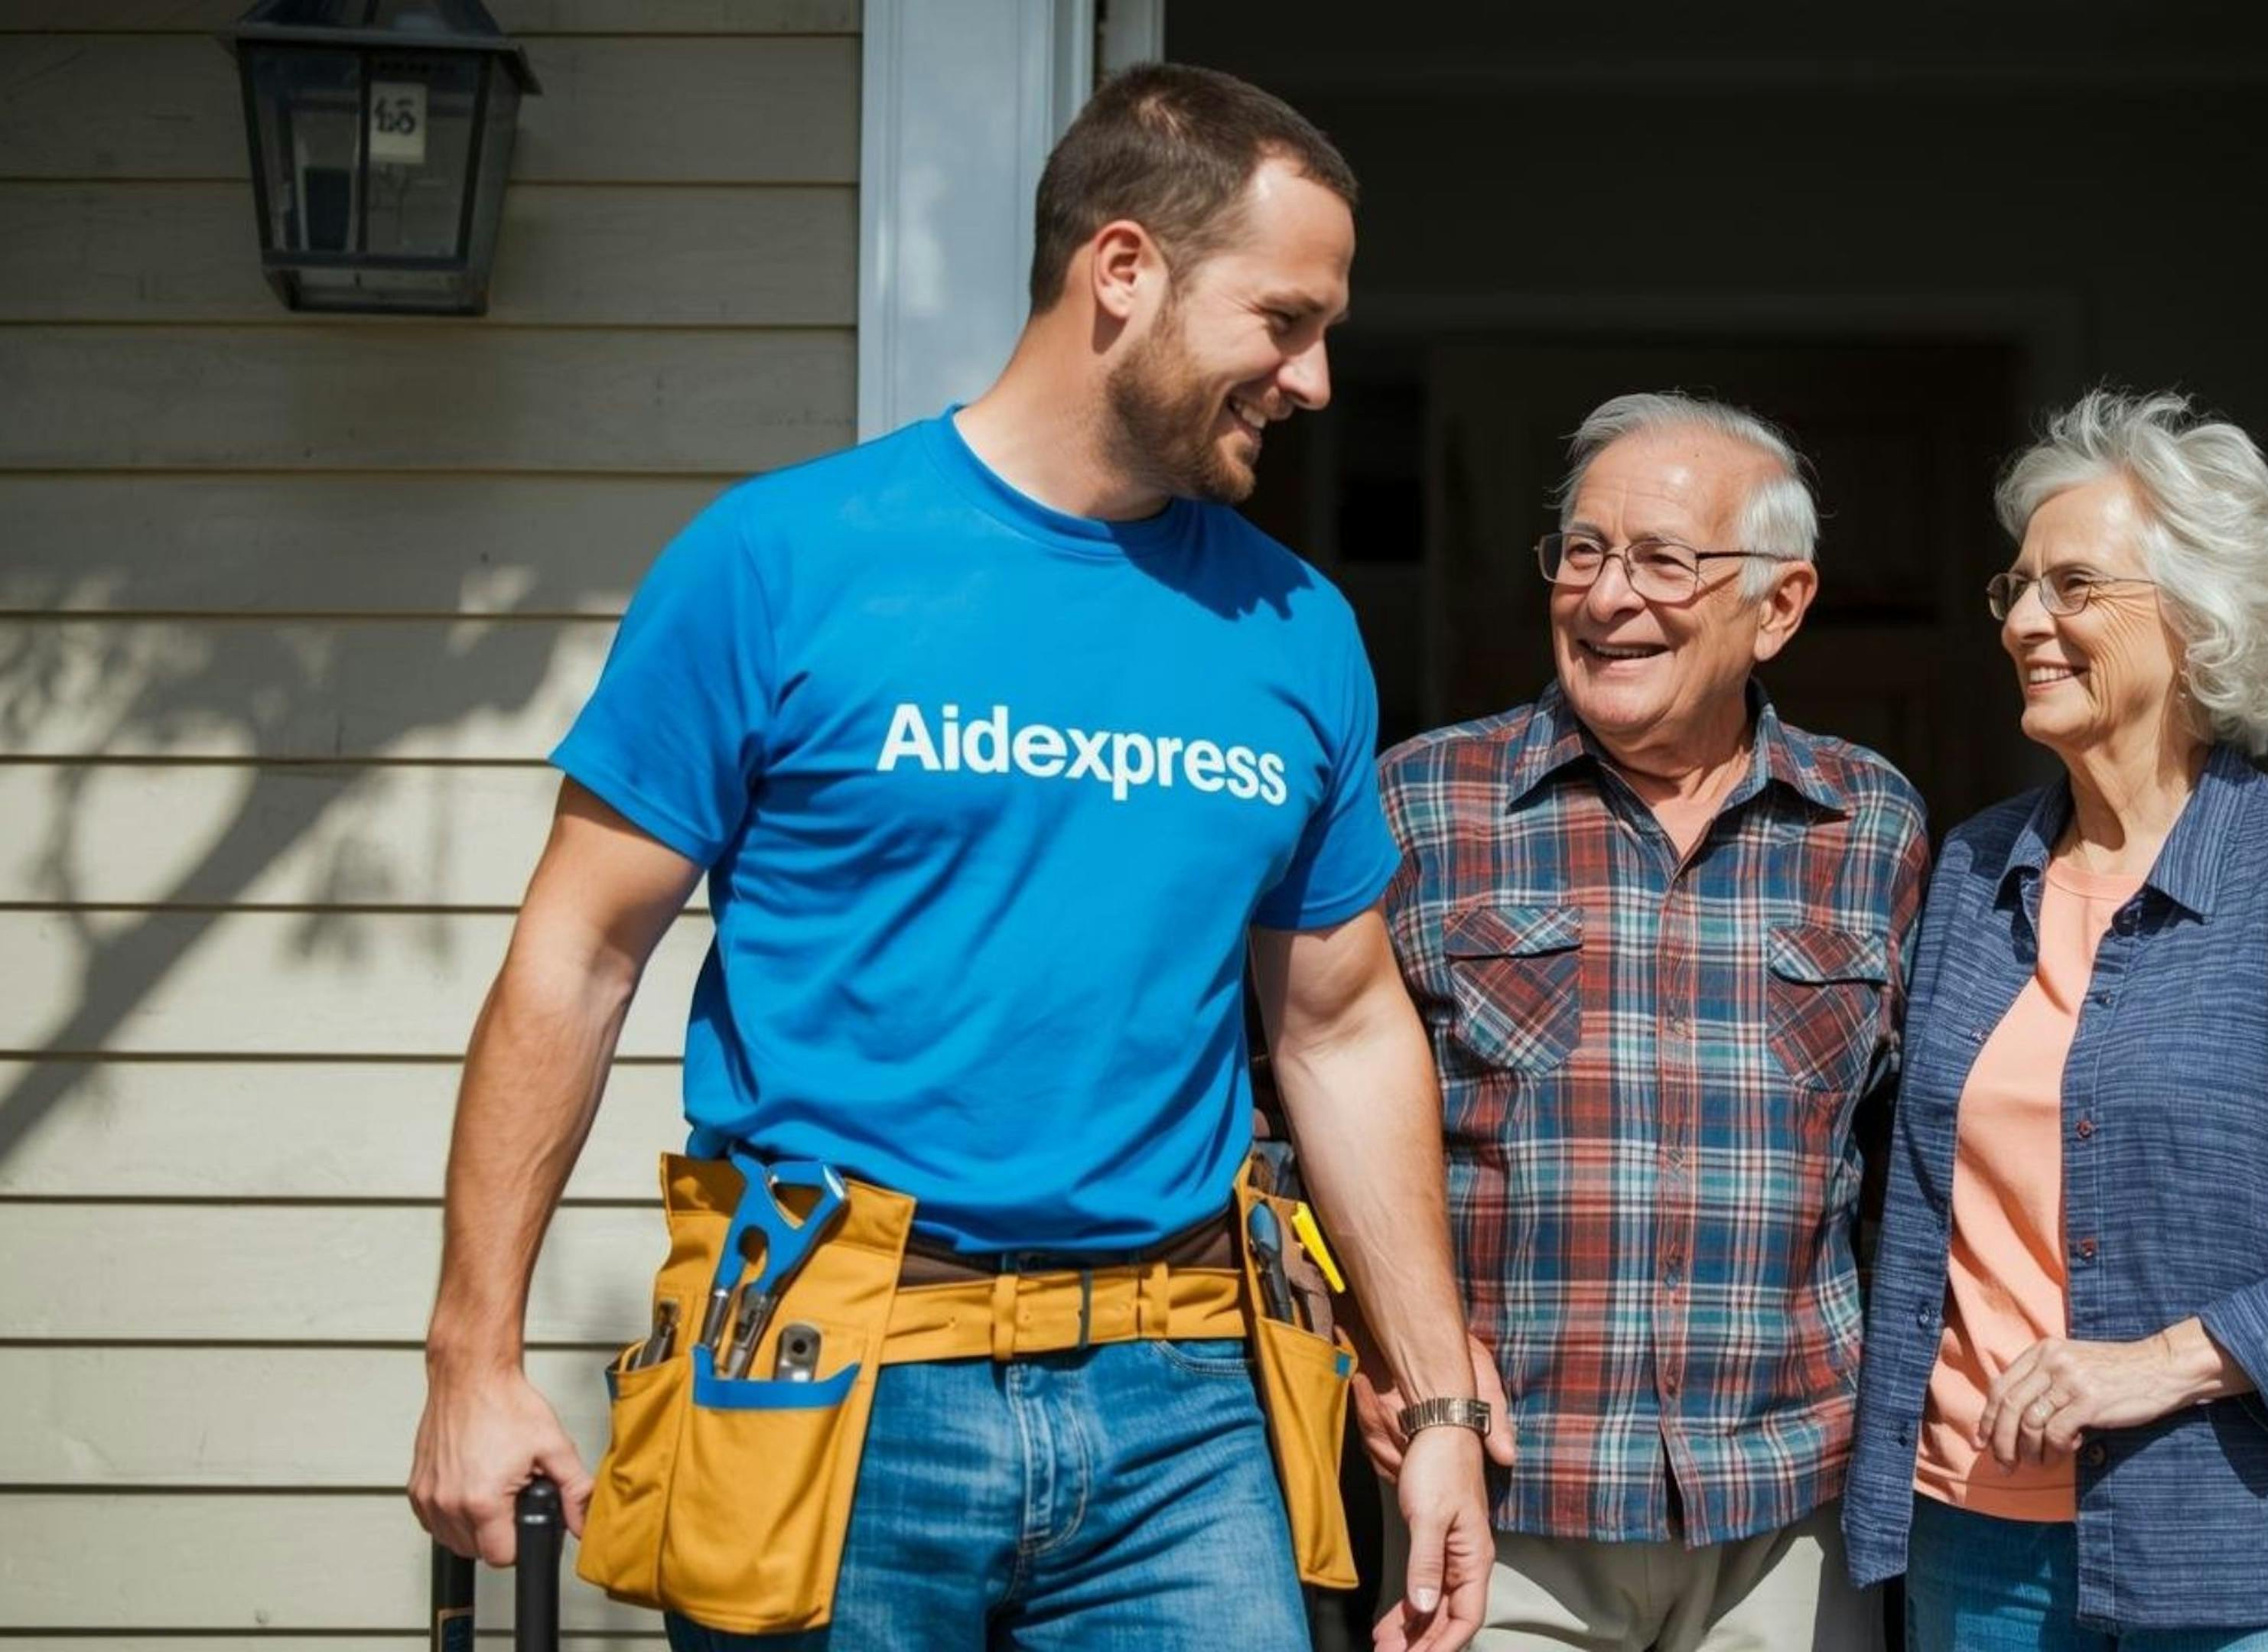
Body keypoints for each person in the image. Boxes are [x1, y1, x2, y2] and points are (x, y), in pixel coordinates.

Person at [405, 63, 1494, 1652]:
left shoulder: (1297, 629)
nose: (1316, 379)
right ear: (1122, 271)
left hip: (1180, 1407)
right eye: (1285, 320)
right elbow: (575, 963)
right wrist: (473, 1360)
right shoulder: (780, 563)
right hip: (835, 1385)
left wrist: (1445, 1403)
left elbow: (1339, 1023)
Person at [1842, 389, 2268, 1650]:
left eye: (2076, 587)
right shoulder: (1976, 870)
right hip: (1970, 1544)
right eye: (2018, 589)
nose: (2028, 623)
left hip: (2247, 1558)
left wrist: (2165, 1361)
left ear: (2198, 616)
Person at [1364, 392, 1927, 1650]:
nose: (1609, 596)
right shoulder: (1421, 805)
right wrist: (1365, 1335)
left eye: (1664, 560)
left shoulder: (1872, 824)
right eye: (1582, 552)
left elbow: (1913, 1158)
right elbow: (1292, 1120)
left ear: (1778, 606)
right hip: (1501, 1500)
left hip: (1789, 1512)